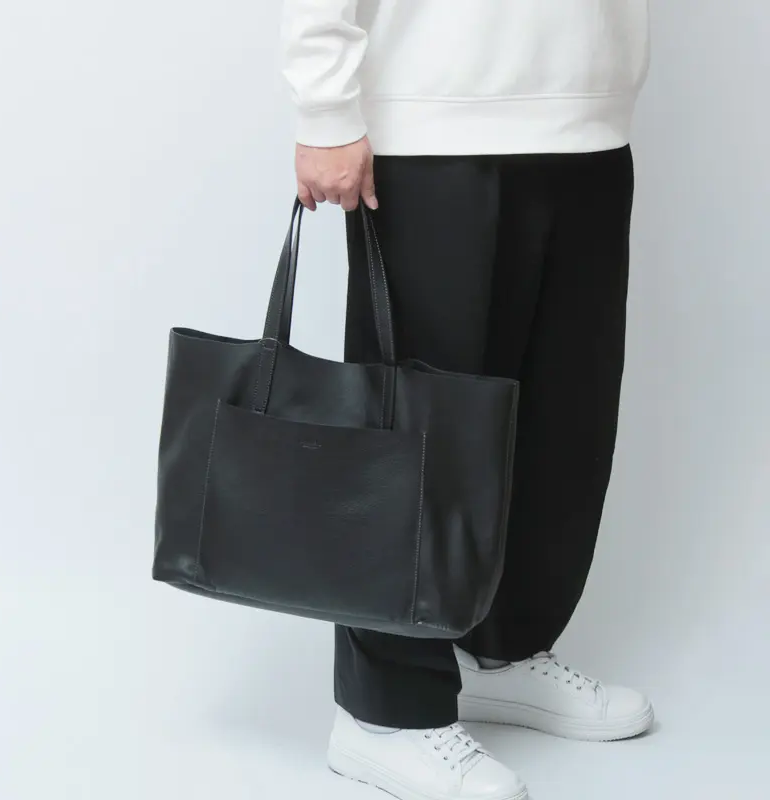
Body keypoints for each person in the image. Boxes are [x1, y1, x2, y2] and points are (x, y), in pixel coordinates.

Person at [280, 2, 654, 799]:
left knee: (564, 421)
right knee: (418, 438)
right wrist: (325, 106)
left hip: (588, 114)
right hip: (435, 116)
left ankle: (503, 649)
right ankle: (385, 712)